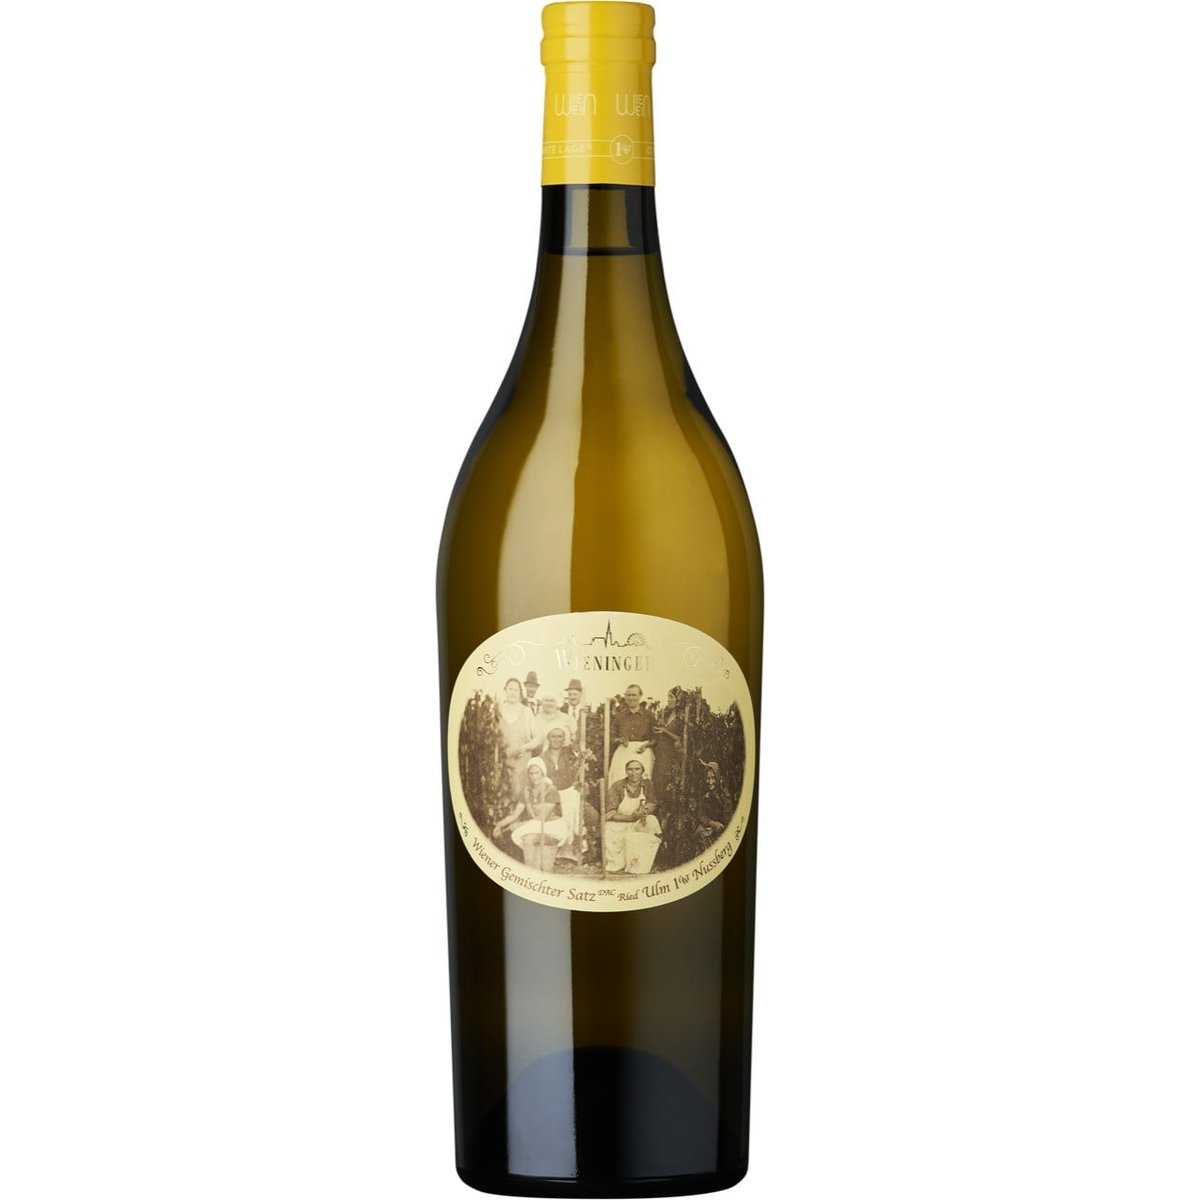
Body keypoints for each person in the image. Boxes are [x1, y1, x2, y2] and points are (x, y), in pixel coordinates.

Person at [493, 757, 570, 865]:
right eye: (531, 773)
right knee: (513, 832)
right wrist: (499, 825)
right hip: (536, 825)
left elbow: (542, 818)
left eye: (537, 773)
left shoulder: (551, 790)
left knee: (516, 830)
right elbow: (515, 815)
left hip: (552, 826)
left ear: (542, 773)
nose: (534, 777)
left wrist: (520, 824)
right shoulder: (527, 791)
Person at [542, 724, 599, 864]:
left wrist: (585, 756)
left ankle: (585, 850)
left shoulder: (569, 753)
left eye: (560, 736)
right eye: (553, 736)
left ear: (564, 739)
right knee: (559, 820)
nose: (556, 739)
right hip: (553, 798)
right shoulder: (542, 757)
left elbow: (580, 754)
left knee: (592, 815)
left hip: (572, 794)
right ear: (548, 738)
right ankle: (561, 853)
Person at [603, 759, 661, 874]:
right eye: (630, 769)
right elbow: (609, 814)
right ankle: (618, 862)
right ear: (626, 771)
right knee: (608, 828)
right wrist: (630, 817)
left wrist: (645, 810)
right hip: (619, 824)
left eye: (637, 769)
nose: (634, 773)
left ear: (642, 771)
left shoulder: (647, 784)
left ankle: (643, 859)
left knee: (651, 820)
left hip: (637, 823)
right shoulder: (618, 787)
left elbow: (652, 802)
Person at [497, 677, 536, 802]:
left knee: (520, 798)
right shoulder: (497, 710)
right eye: (510, 689)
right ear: (505, 690)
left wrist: (526, 747)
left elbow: (538, 738)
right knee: (502, 797)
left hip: (521, 763)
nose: (512, 692)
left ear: (520, 693)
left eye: (516, 690)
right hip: (501, 762)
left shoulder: (527, 711)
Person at [609, 683, 655, 784]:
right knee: (620, 780)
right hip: (624, 752)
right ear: (625, 697)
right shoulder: (619, 716)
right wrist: (620, 740)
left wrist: (646, 745)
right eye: (628, 695)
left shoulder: (649, 715)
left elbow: (655, 738)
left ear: (640, 696)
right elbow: (612, 736)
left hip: (643, 753)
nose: (631, 698)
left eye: (634, 695)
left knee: (643, 782)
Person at [695, 760, 734, 851]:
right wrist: (711, 824)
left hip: (721, 834)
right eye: (707, 778)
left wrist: (715, 829)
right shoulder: (704, 792)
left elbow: (727, 821)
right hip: (707, 828)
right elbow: (700, 814)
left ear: (718, 777)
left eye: (713, 778)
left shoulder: (724, 795)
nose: (710, 782)